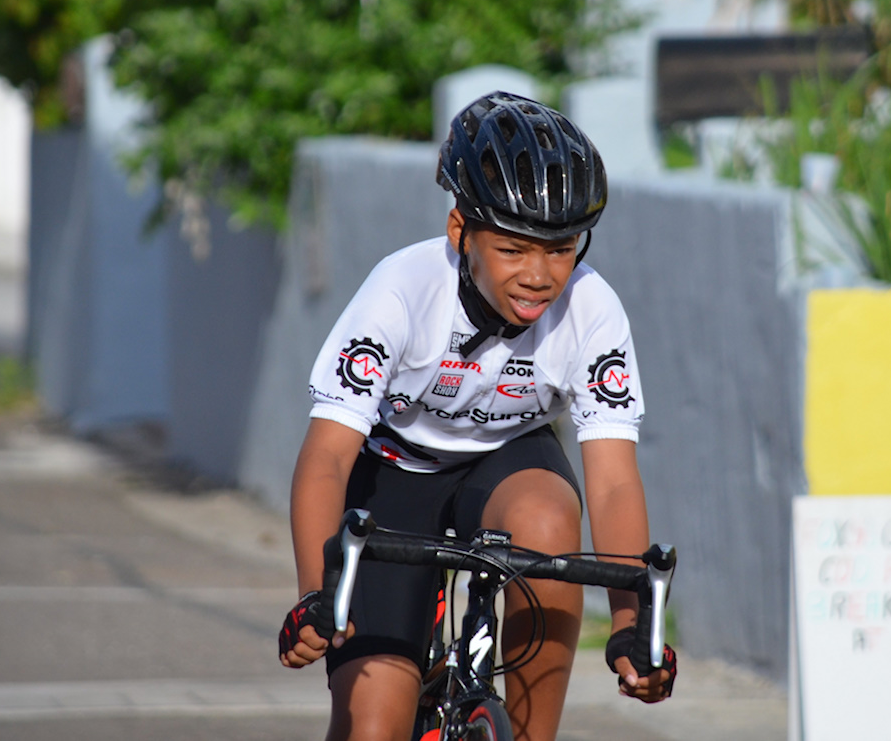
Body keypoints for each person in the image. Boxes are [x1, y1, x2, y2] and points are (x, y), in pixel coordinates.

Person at [278, 91, 676, 741]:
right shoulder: (401, 291)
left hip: (508, 462)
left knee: (549, 520)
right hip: (393, 472)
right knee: (372, 729)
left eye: (561, 249)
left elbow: (610, 481)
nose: (542, 275)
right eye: (515, 249)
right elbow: (326, 458)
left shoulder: (591, 309)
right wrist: (314, 599)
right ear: (460, 230)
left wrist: (634, 628)